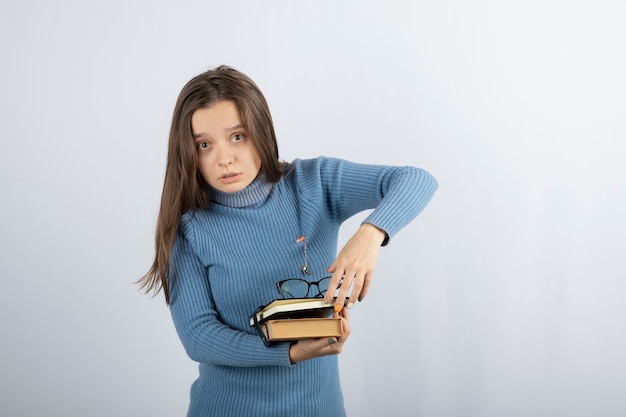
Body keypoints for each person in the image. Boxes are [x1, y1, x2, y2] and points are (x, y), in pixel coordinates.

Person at [138, 65, 438, 417]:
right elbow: (200, 337)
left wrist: (371, 234)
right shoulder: (189, 226)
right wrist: (289, 353)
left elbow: (417, 179)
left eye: (238, 136)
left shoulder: (314, 184)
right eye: (204, 145)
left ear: (261, 131)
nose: (224, 159)